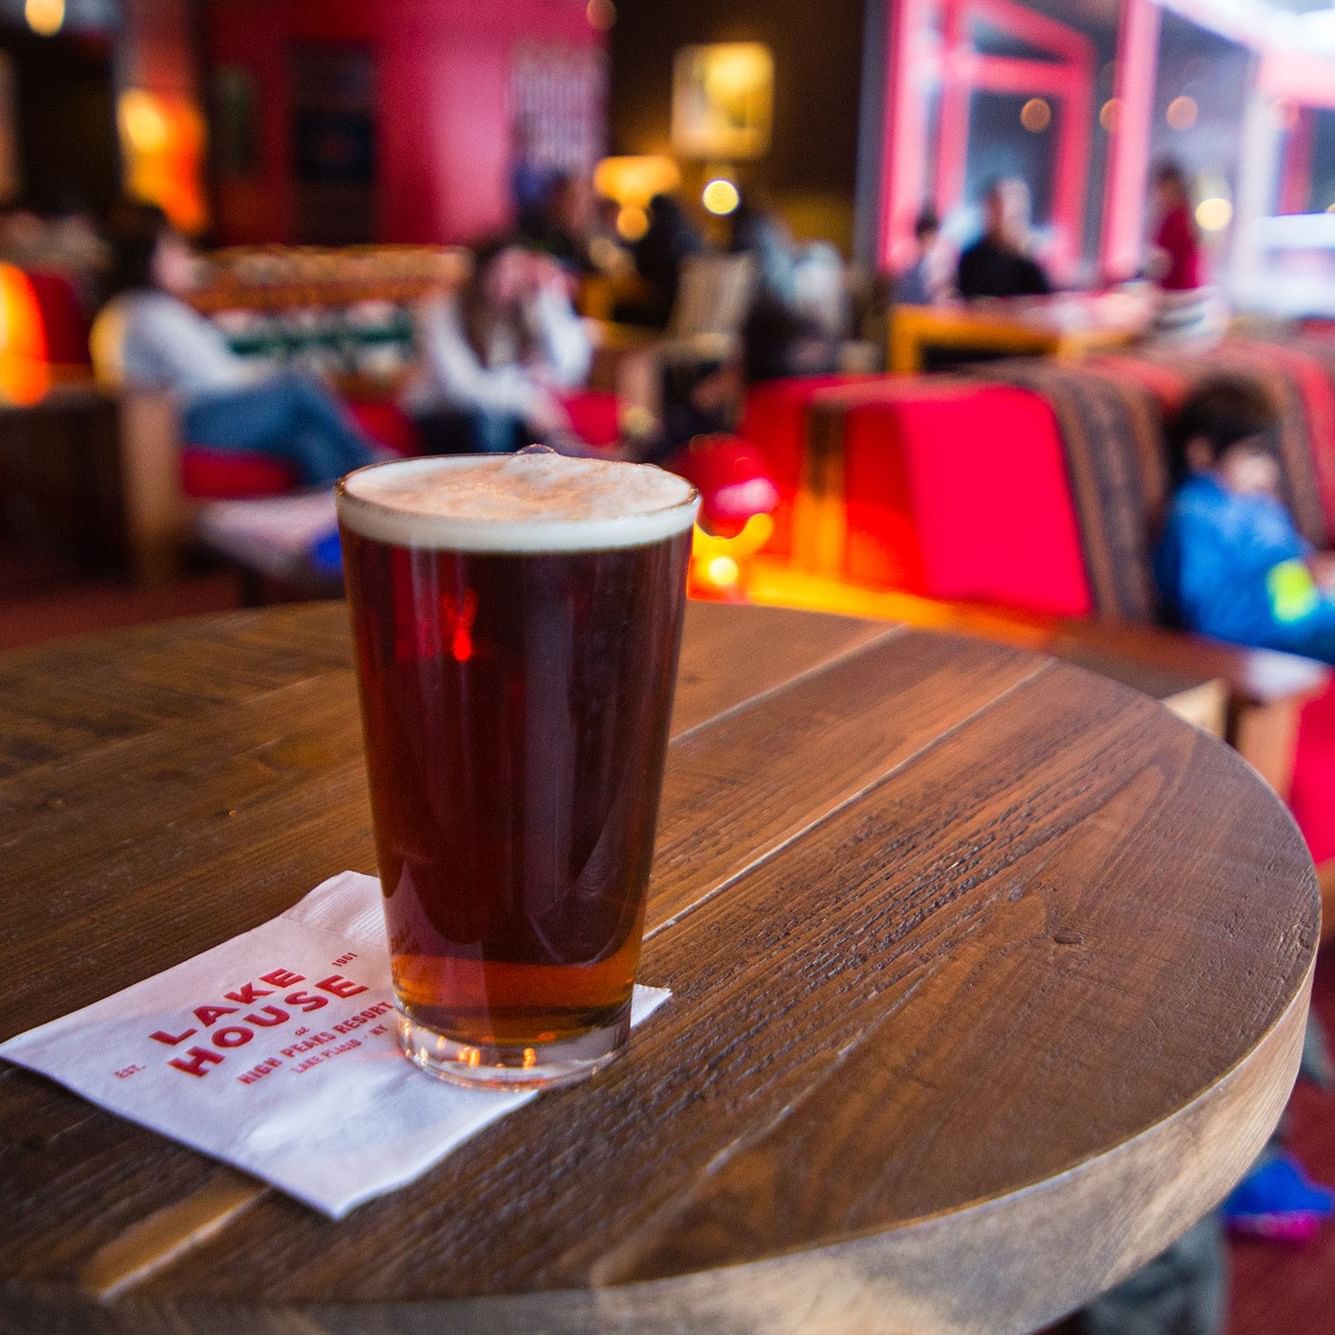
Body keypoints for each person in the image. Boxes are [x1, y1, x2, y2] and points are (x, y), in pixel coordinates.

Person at [97, 201, 376, 485]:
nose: (185, 255)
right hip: (186, 424)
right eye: (173, 246)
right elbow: (218, 379)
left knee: (307, 437)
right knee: (298, 385)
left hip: (191, 418)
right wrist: (272, 380)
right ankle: (371, 465)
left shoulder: (135, 310)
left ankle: (335, 505)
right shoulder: (148, 313)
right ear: (147, 257)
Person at [1154, 379, 1335, 663]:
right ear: (1201, 453)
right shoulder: (1194, 518)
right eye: (1254, 453)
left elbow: (1298, 560)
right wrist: (1304, 578)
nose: (1270, 469)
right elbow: (1209, 618)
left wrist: (1320, 574)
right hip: (1273, 643)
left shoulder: (1257, 503)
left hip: (1315, 619)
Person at [403, 238, 592, 455]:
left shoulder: (522, 312)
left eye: (516, 270)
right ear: (480, 272)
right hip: (442, 411)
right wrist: (527, 401)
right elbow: (461, 388)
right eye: (499, 270)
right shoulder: (442, 309)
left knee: (542, 444)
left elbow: (569, 369)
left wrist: (547, 296)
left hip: (498, 410)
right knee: (494, 426)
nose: (507, 278)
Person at [956, 178, 1051, 300]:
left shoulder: (1030, 259)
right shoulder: (971, 257)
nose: (1003, 216)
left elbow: (1044, 300)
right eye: (996, 206)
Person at [628, 193, 702, 328]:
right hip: (689, 310)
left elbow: (641, 266)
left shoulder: (656, 234)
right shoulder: (691, 234)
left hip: (662, 313)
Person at [1149, 161, 1203, 293]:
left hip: (1179, 291)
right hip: (1183, 289)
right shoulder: (1183, 214)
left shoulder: (1178, 218)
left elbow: (1165, 263)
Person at [896, 208, 950, 306]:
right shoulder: (907, 260)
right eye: (926, 235)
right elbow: (901, 291)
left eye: (932, 235)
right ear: (919, 235)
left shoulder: (941, 263)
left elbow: (944, 291)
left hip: (931, 313)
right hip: (910, 310)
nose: (928, 239)